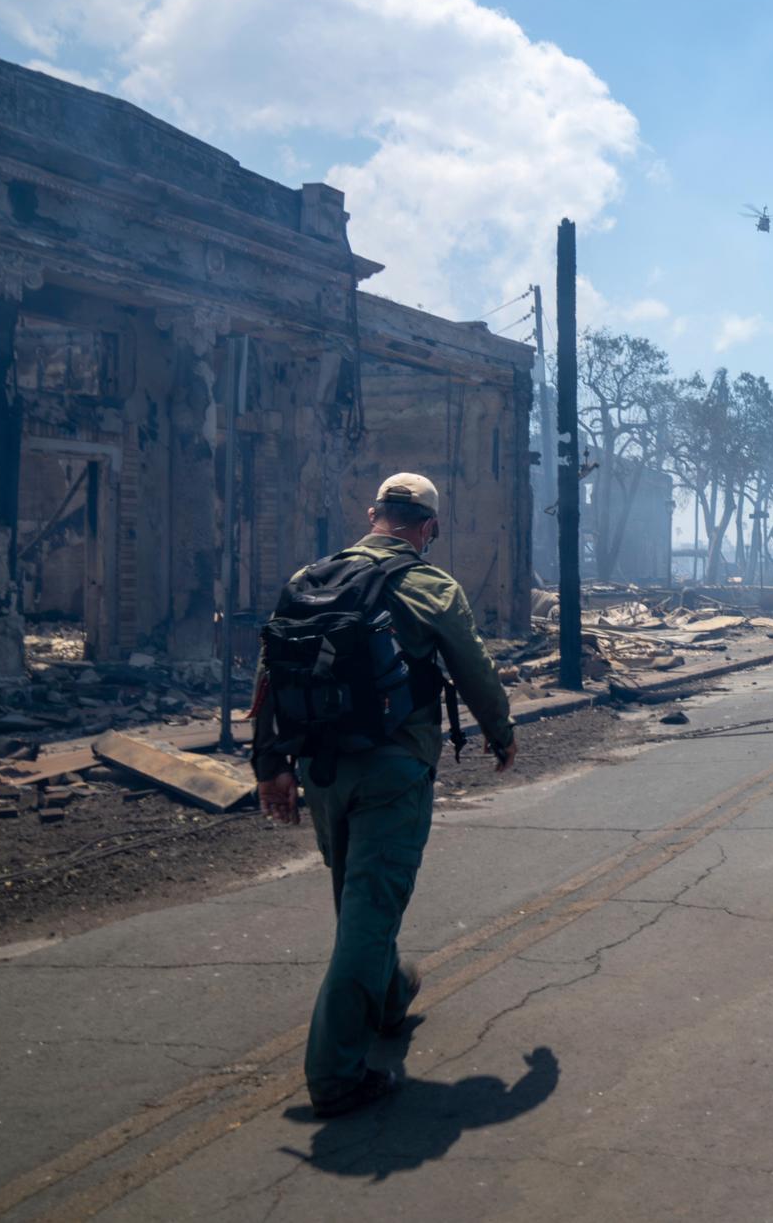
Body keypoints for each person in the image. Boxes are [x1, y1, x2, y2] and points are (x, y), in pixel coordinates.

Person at [253, 472, 517, 1118]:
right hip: (393, 771)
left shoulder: (310, 579)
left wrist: (271, 766)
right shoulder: (431, 585)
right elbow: (474, 668)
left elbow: (271, 669)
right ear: (427, 528)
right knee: (370, 907)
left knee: (358, 899)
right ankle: (335, 1073)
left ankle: (392, 994)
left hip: (321, 773)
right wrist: (502, 734)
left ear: (374, 513)